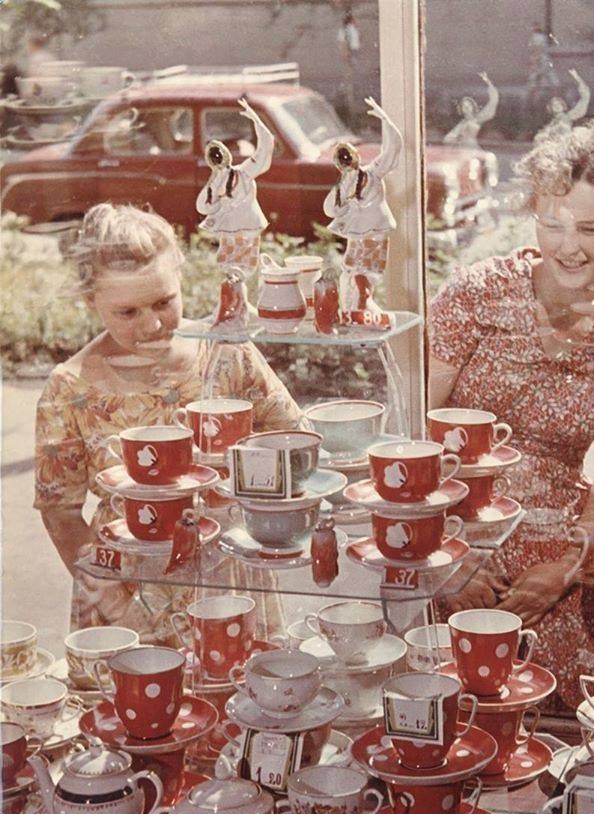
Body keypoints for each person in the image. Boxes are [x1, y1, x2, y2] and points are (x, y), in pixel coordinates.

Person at [428, 121, 594, 711]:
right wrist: (443, 560)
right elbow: (411, 435)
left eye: (590, 228)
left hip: (553, 557)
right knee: (439, 718)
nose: (569, 245)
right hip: (448, 538)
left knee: (543, 725)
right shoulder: (477, 294)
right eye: (552, 223)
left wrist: (567, 566)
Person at [35, 203, 302, 644]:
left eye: (164, 302)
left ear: (181, 277)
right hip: (119, 596)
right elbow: (60, 513)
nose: (153, 325)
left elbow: (293, 437)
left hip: (226, 582)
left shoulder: (225, 353)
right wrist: (118, 604)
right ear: (90, 301)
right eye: (128, 312)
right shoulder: (69, 387)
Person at [323, 96, 402, 322]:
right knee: (352, 267)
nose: (346, 162)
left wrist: (385, 120)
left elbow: (393, 148)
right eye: (343, 160)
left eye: (346, 158)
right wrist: (341, 192)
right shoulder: (345, 183)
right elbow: (331, 209)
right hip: (359, 232)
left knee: (367, 268)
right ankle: (357, 305)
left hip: (374, 229)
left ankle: (363, 302)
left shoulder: (372, 173)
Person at [195, 97, 274, 278]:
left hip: (247, 227)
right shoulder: (216, 181)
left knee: (246, 269)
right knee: (227, 267)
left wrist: (256, 120)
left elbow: (265, 148)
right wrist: (214, 183)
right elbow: (204, 206)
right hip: (230, 231)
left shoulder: (243, 174)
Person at [444, 72, 499, 150]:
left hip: (473, 148)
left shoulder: (478, 118)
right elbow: (447, 139)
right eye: (464, 106)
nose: (466, 108)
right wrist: (458, 140)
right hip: (463, 150)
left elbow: (493, 101)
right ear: (461, 109)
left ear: (473, 107)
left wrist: (488, 82)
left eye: (468, 105)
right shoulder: (462, 123)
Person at [534, 69, 590, 143]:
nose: (557, 106)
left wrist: (578, 79)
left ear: (563, 106)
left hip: (566, 147)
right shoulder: (552, 123)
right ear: (550, 108)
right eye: (554, 105)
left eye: (559, 104)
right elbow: (539, 138)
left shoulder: (569, 116)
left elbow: (585, 98)